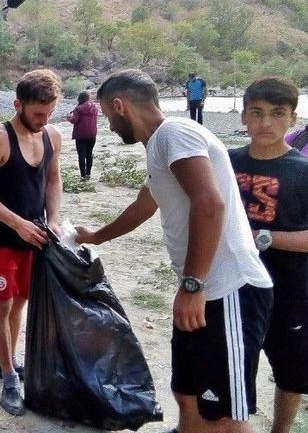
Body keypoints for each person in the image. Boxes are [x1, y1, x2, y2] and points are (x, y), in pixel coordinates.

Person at [75, 69, 272, 433]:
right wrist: (96, 237)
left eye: (107, 115)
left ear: (120, 106)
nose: (109, 125)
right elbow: (143, 207)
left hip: (228, 289)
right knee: (188, 395)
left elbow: (209, 204)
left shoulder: (175, 134)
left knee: (225, 415)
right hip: (201, 289)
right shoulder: (159, 146)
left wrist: (193, 285)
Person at [0, 69, 64, 416]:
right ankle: (9, 375)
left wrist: (51, 218)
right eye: (38, 114)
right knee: (1, 304)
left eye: (49, 113)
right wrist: (17, 223)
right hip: (0, 239)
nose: (44, 120)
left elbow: (53, 181)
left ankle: (4, 361)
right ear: (18, 104)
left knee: (20, 302)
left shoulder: (52, 136)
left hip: (35, 238)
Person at [229, 77, 307, 433]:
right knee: (234, 364)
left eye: (277, 114)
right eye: (256, 113)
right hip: (233, 285)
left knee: (291, 369)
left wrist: (262, 237)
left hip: (288, 287)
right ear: (243, 116)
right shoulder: (224, 163)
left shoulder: (302, 172)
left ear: (293, 118)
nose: (265, 123)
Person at [67, 90, 98, 180]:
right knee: (89, 154)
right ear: (88, 98)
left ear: (80, 98)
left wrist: (68, 117)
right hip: (92, 134)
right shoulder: (94, 107)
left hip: (80, 135)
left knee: (81, 155)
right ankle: (88, 174)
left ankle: (83, 176)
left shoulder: (78, 108)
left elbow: (74, 120)